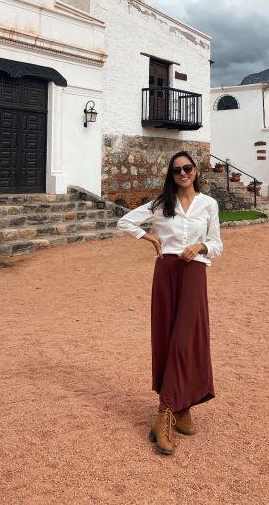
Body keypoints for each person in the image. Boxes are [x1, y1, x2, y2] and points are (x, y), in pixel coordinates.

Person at [117, 150, 223, 456]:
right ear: (171, 174)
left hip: (194, 273)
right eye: (177, 170)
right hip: (166, 273)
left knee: (186, 341)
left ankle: (169, 411)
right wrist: (147, 238)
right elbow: (125, 221)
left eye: (187, 168)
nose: (183, 173)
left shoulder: (209, 204)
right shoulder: (161, 204)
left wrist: (201, 245)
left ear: (195, 171)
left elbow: (217, 244)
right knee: (167, 339)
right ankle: (176, 409)